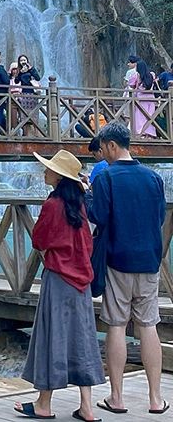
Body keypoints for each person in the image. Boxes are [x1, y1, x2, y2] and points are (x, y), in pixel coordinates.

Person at [15, 149, 104, 422]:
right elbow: (86, 244)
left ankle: (44, 403)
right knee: (83, 339)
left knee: (51, 336)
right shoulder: (79, 204)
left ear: (58, 176)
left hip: (58, 277)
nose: (45, 171)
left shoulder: (52, 205)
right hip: (81, 281)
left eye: (49, 168)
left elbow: (39, 238)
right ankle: (87, 407)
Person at [87, 122, 167, 415]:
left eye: (104, 148)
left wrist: (86, 193)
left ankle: (117, 397)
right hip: (148, 261)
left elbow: (98, 216)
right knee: (148, 326)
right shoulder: (153, 178)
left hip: (117, 261)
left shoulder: (106, 177)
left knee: (117, 326)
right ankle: (156, 399)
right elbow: (159, 217)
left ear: (110, 145)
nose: (103, 154)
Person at [127, 58, 156, 137]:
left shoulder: (136, 75)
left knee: (139, 118)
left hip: (140, 100)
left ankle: (139, 134)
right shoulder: (152, 75)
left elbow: (131, 84)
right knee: (149, 117)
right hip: (151, 100)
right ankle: (149, 134)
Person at [14, 54, 41, 137]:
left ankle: (36, 133)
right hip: (24, 94)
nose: (23, 62)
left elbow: (38, 78)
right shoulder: (19, 71)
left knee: (34, 114)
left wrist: (31, 69)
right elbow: (16, 81)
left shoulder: (31, 70)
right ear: (19, 62)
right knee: (24, 114)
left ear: (27, 61)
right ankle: (25, 133)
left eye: (24, 60)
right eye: (21, 60)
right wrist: (20, 73)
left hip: (32, 94)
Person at [9, 61, 22, 132]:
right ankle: (14, 131)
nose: (15, 71)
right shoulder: (9, 80)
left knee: (22, 115)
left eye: (16, 69)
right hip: (12, 98)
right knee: (13, 116)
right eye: (13, 69)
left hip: (21, 98)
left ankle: (24, 132)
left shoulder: (21, 79)